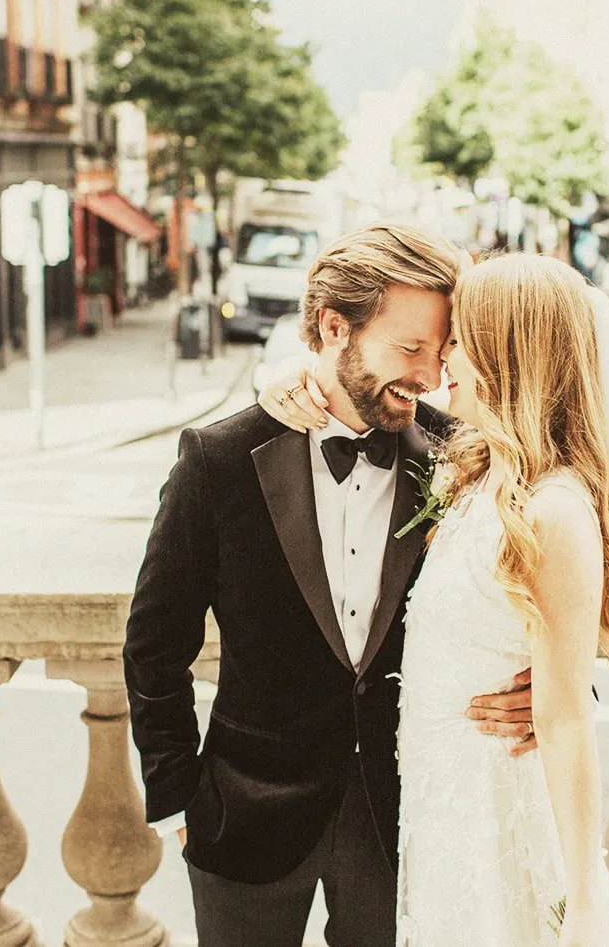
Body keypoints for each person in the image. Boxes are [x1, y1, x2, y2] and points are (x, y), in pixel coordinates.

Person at [262, 255, 609, 947]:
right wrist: (285, 377)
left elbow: (564, 722)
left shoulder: (554, 509)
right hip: (438, 819)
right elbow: (348, 396)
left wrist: (587, 896)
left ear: (509, 354)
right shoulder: (472, 468)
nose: (442, 360)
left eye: (459, 341)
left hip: (496, 818)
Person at [125, 224, 537, 947]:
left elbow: (526, 598)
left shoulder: (458, 455)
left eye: (441, 352)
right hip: (243, 815)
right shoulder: (218, 459)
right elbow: (155, 643)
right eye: (409, 349)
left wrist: (551, 690)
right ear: (332, 326)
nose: (432, 375)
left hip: (401, 815)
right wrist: (176, 796)